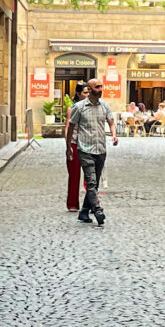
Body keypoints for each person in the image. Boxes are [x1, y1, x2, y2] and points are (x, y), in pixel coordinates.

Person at [67, 75, 117, 227]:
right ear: (89, 89)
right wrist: (69, 145)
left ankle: (84, 211)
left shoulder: (105, 106)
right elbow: (71, 126)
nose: (100, 90)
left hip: (101, 149)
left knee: (94, 184)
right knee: (91, 180)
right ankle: (97, 209)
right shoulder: (79, 107)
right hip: (85, 148)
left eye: (101, 87)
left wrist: (114, 135)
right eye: (97, 87)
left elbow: (111, 122)